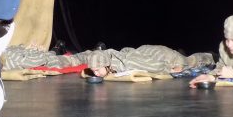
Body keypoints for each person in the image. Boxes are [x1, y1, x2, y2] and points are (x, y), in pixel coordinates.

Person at [85, 46, 215, 77]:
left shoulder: (127, 63)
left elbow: (155, 66)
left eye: (97, 70)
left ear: (106, 64)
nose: (95, 74)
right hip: (147, 53)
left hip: (164, 56)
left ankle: (210, 56)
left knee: (189, 62)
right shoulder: (109, 60)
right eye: (93, 71)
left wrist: (170, 70)